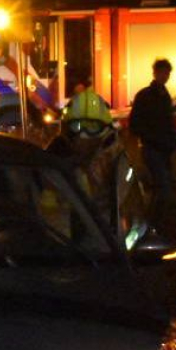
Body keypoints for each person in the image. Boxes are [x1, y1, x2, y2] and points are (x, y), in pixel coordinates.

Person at [46, 88, 134, 242]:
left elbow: (123, 205)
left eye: (92, 126)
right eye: (77, 126)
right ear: (67, 129)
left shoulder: (116, 159)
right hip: (59, 244)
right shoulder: (53, 158)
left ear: (105, 129)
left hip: (102, 242)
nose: (84, 134)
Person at [128, 58, 176, 227]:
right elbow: (135, 124)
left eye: (167, 73)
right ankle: (153, 224)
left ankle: (154, 224)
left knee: (162, 189)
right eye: (163, 73)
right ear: (156, 73)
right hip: (153, 149)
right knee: (163, 188)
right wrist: (154, 138)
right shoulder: (147, 96)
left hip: (163, 149)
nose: (165, 76)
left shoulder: (163, 96)